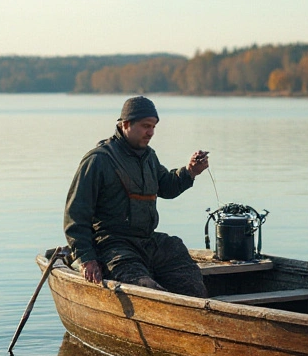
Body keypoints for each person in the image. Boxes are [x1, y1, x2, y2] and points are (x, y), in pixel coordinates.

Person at [64, 96, 210, 297]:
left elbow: (166, 187)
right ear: (125, 124)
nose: (150, 133)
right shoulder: (98, 160)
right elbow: (75, 216)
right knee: (142, 286)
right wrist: (86, 259)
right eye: (145, 126)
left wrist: (190, 171)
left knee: (183, 265)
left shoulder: (149, 156)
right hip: (113, 246)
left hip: (147, 242)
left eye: (153, 127)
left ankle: (194, 308)